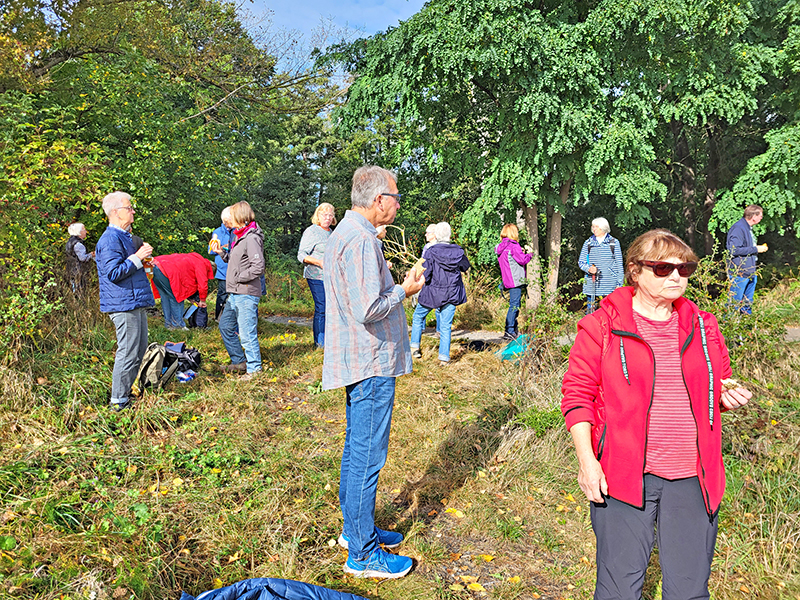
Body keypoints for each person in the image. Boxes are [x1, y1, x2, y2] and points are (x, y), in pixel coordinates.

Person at [561, 229, 752, 599]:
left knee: (689, 590)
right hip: (624, 476)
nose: (677, 277)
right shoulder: (602, 326)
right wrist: (588, 462)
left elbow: (717, 383)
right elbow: (578, 395)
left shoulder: (704, 325)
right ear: (635, 271)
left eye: (685, 268)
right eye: (663, 269)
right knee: (618, 589)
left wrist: (725, 396)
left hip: (693, 477)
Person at [322, 165, 424, 579]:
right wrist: (406, 289)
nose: (399, 204)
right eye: (396, 197)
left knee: (356, 451)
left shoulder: (345, 234)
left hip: (358, 359)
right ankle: (362, 554)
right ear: (379, 200)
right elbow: (369, 308)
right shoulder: (361, 240)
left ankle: (355, 530)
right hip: (371, 361)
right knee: (367, 457)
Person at [95, 192, 154, 411]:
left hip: (134, 300)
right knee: (128, 351)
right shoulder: (110, 238)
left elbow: (128, 267)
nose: (133, 211)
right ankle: (118, 402)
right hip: (122, 303)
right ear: (116, 212)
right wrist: (138, 257)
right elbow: (113, 272)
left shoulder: (124, 237)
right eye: (129, 208)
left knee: (138, 350)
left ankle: (125, 394)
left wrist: (145, 262)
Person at [214, 201, 265, 380]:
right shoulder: (239, 236)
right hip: (234, 292)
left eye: (231, 217)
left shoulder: (252, 238)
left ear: (240, 217)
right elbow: (235, 261)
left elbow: (258, 267)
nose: (228, 222)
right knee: (225, 326)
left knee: (246, 332)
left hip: (246, 292)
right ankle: (239, 361)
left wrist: (239, 277)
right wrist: (221, 253)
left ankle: (254, 369)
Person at [409, 222, 471, 364]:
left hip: (433, 292)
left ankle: (414, 348)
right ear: (450, 235)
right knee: (445, 326)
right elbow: (465, 266)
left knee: (418, 316)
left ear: (436, 235)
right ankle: (444, 358)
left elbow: (427, 272)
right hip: (452, 292)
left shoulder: (431, 251)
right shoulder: (458, 251)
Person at [297, 203, 336, 348]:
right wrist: (318, 262)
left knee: (330, 309)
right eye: (324, 215)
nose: (327, 217)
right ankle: (320, 344)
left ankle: (328, 341)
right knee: (322, 307)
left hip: (330, 277)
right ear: (317, 216)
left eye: (330, 215)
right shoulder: (311, 231)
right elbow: (301, 255)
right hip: (315, 275)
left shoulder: (331, 232)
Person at [151, 253, 215, 329]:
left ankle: (168, 324)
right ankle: (178, 326)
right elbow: (203, 285)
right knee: (177, 298)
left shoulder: (193, 258)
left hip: (154, 265)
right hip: (167, 269)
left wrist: (191, 299)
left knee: (165, 297)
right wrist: (202, 300)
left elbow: (186, 283)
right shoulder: (202, 264)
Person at [726, 205, 768, 315]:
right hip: (739, 273)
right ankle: (728, 329)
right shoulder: (739, 228)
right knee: (733, 306)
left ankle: (746, 330)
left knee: (746, 305)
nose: (761, 218)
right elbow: (733, 250)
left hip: (749, 272)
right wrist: (756, 249)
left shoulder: (747, 228)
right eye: (760, 216)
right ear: (753, 216)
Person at [578, 217, 623, 313]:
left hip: (610, 284)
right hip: (592, 284)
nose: (594, 229)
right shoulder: (588, 243)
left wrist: (619, 284)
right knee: (590, 312)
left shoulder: (614, 243)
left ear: (603, 228)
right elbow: (581, 262)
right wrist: (589, 269)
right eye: (593, 227)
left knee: (609, 312)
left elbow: (619, 264)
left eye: (596, 227)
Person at [495, 224, 532, 339]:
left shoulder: (501, 247)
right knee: (515, 305)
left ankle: (513, 329)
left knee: (514, 304)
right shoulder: (513, 246)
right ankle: (510, 330)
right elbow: (522, 260)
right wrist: (529, 253)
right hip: (515, 279)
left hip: (507, 279)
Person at [209, 207, 235, 321]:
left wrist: (228, 248)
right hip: (222, 269)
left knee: (233, 295)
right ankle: (218, 318)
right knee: (222, 294)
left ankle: (232, 318)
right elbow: (210, 251)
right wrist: (219, 248)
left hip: (234, 268)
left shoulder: (237, 231)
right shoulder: (217, 232)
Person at [65, 222, 95, 294]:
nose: (86, 232)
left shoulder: (69, 242)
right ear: (79, 232)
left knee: (74, 289)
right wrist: (91, 254)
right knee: (80, 290)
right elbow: (83, 258)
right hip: (78, 270)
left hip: (70, 269)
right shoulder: (78, 245)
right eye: (84, 230)